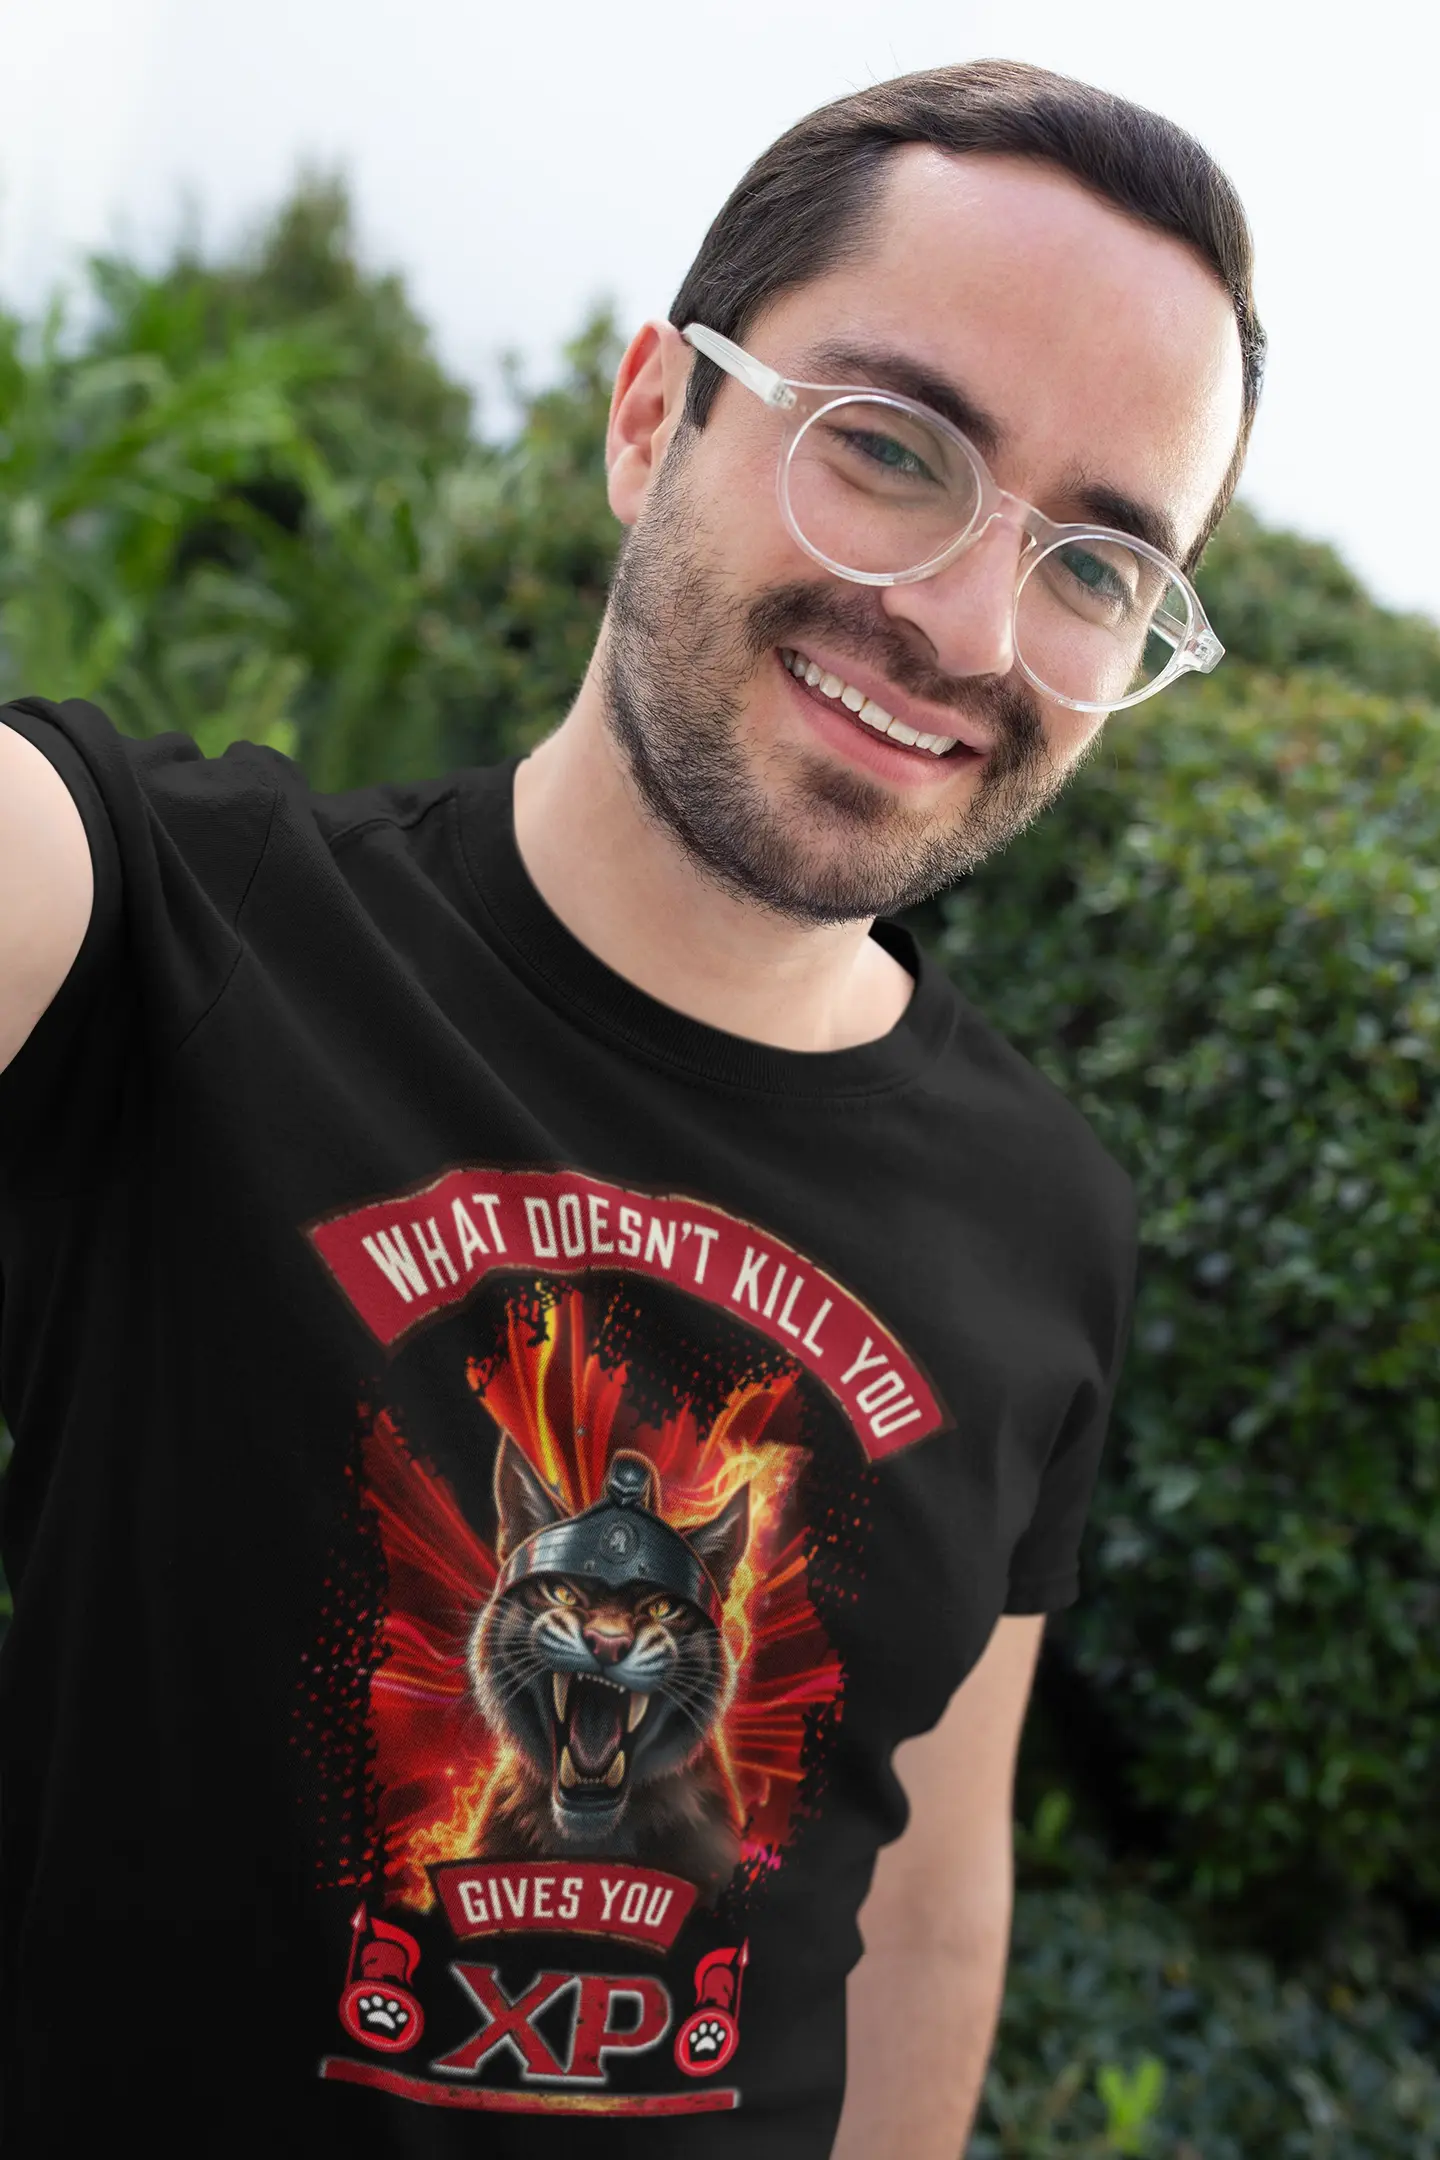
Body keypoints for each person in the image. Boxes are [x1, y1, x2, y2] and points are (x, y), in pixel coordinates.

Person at [0, 57, 1260, 2160]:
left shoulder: (1052, 1216)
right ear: (651, 416)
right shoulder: (163, 924)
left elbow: (934, 1911)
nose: (965, 625)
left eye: (1099, 568)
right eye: (887, 446)